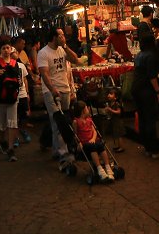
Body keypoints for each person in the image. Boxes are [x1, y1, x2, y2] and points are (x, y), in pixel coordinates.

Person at [38, 26, 80, 163]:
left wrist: (65, 46)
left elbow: (75, 60)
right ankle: (63, 152)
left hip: (65, 89)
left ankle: (57, 150)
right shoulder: (43, 53)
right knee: (58, 121)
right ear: (54, 37)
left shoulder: (62, 49)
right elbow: (44, 73)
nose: (63, 37)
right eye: (61, 35)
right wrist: (52, 89)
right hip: (51, 92)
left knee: (64, 120)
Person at [131, 32, 159, 159]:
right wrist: (158, 92)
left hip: (136, 89)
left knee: (142, 118)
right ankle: (154, 150)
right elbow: (152, 77)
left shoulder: (139, 55)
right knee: (150, 119)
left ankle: (147, 147)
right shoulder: (151, 56)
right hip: (146, 90)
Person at [0, 43, 21, 161]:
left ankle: (11, 148)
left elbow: (19, 80)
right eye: (3, 48)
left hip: (12, 97)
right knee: (1, 121)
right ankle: (2, 140)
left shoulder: (15, 63)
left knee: (12, 122)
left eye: (8, 48)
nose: (6, 50)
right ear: (0, 51)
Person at [72, 100, 115, 183]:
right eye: (87, 108)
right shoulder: (76, 122)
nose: (88, 109)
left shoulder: (89, 120)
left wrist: (93, 138)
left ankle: (108, 167)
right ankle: (100, 170)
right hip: (85, 143)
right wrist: (78, 143)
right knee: (93, 147)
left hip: (93, 140)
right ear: (83, 111)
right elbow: (75, 134)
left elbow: (94, 131)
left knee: (101, 146)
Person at [98, 87, 126, 153]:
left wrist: (110, 110)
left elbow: (119, 112)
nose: (108, 95)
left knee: (119, 135)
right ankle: (119, 146)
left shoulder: (117, 104)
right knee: (117, 134)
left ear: (116, 97)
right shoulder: (111, 104)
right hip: (114, 122)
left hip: (118, 122)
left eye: (111, 94)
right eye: (109, 94)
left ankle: (121, 147)